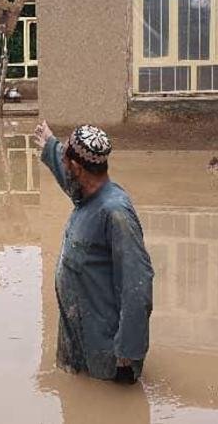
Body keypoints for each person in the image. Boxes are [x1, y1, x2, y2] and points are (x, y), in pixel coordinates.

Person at [34, 120, 154, 384]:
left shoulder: (115, 212)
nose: (64, 168)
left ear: (77, 167)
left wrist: (126, 355)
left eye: (66, 163)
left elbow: (138, 286)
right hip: (78, 340)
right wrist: (51, 146)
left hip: (105, 354)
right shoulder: (87, 195)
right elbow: (70, 181)